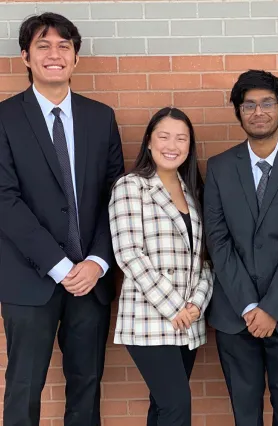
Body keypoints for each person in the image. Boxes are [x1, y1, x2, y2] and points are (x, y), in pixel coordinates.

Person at [0, 13, 124, 426]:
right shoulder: (4, 118)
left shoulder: (100, 117)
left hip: (91, 281)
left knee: (87, 385)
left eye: (63, 46)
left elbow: (116, 198)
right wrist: (59, 265)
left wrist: (98, 262)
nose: (54, 55)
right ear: (25, 57)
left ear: (76, 58)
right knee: (23, 385)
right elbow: (5, 199)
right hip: (28, 278)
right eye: (43, 46)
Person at [203, 69, 278, 426]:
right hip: (235, 314)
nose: (259, 112)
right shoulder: (220, 168)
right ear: (238, 112)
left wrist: (271, 308)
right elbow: (218, 240)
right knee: (245, 415)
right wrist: (249, 305)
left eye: (267, 103)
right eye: (249, 105)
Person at [109, 107, 213, 426]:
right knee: (176, 406)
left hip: (188, 321)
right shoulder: (131, 186)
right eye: (164, 136)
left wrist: (196, 304)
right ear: (149, 142)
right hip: (150, 320)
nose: (173, 145)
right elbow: (129, 254)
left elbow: (206, 259)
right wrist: (174, 307)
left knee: (162, 406)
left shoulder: (194, 191)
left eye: (181, 138)